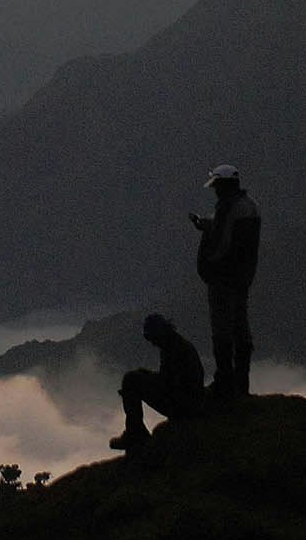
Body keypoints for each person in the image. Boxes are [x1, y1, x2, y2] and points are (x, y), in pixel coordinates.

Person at [189, 164, 260, 397]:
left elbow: (222, 243)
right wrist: (207, 224)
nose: (215, 191)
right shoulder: (251, 207)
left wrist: (209, 263)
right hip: (243, 277)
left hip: (223, 279)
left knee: (222, 331)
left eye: (217, 186)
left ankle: (224, 382)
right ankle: (242, 384)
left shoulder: (228, 208)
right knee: (241, 328)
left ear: (223, 185)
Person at [109, 313, 206, 453]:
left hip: (184, 405)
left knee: (131, 380)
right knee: (135, 379)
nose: (151, 342)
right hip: (188, 401)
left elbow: (171, 384)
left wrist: (140, 385)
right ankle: (135, 432)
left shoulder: (175, 349)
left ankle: (136, 434)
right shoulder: (173, 344)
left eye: (151, 337)